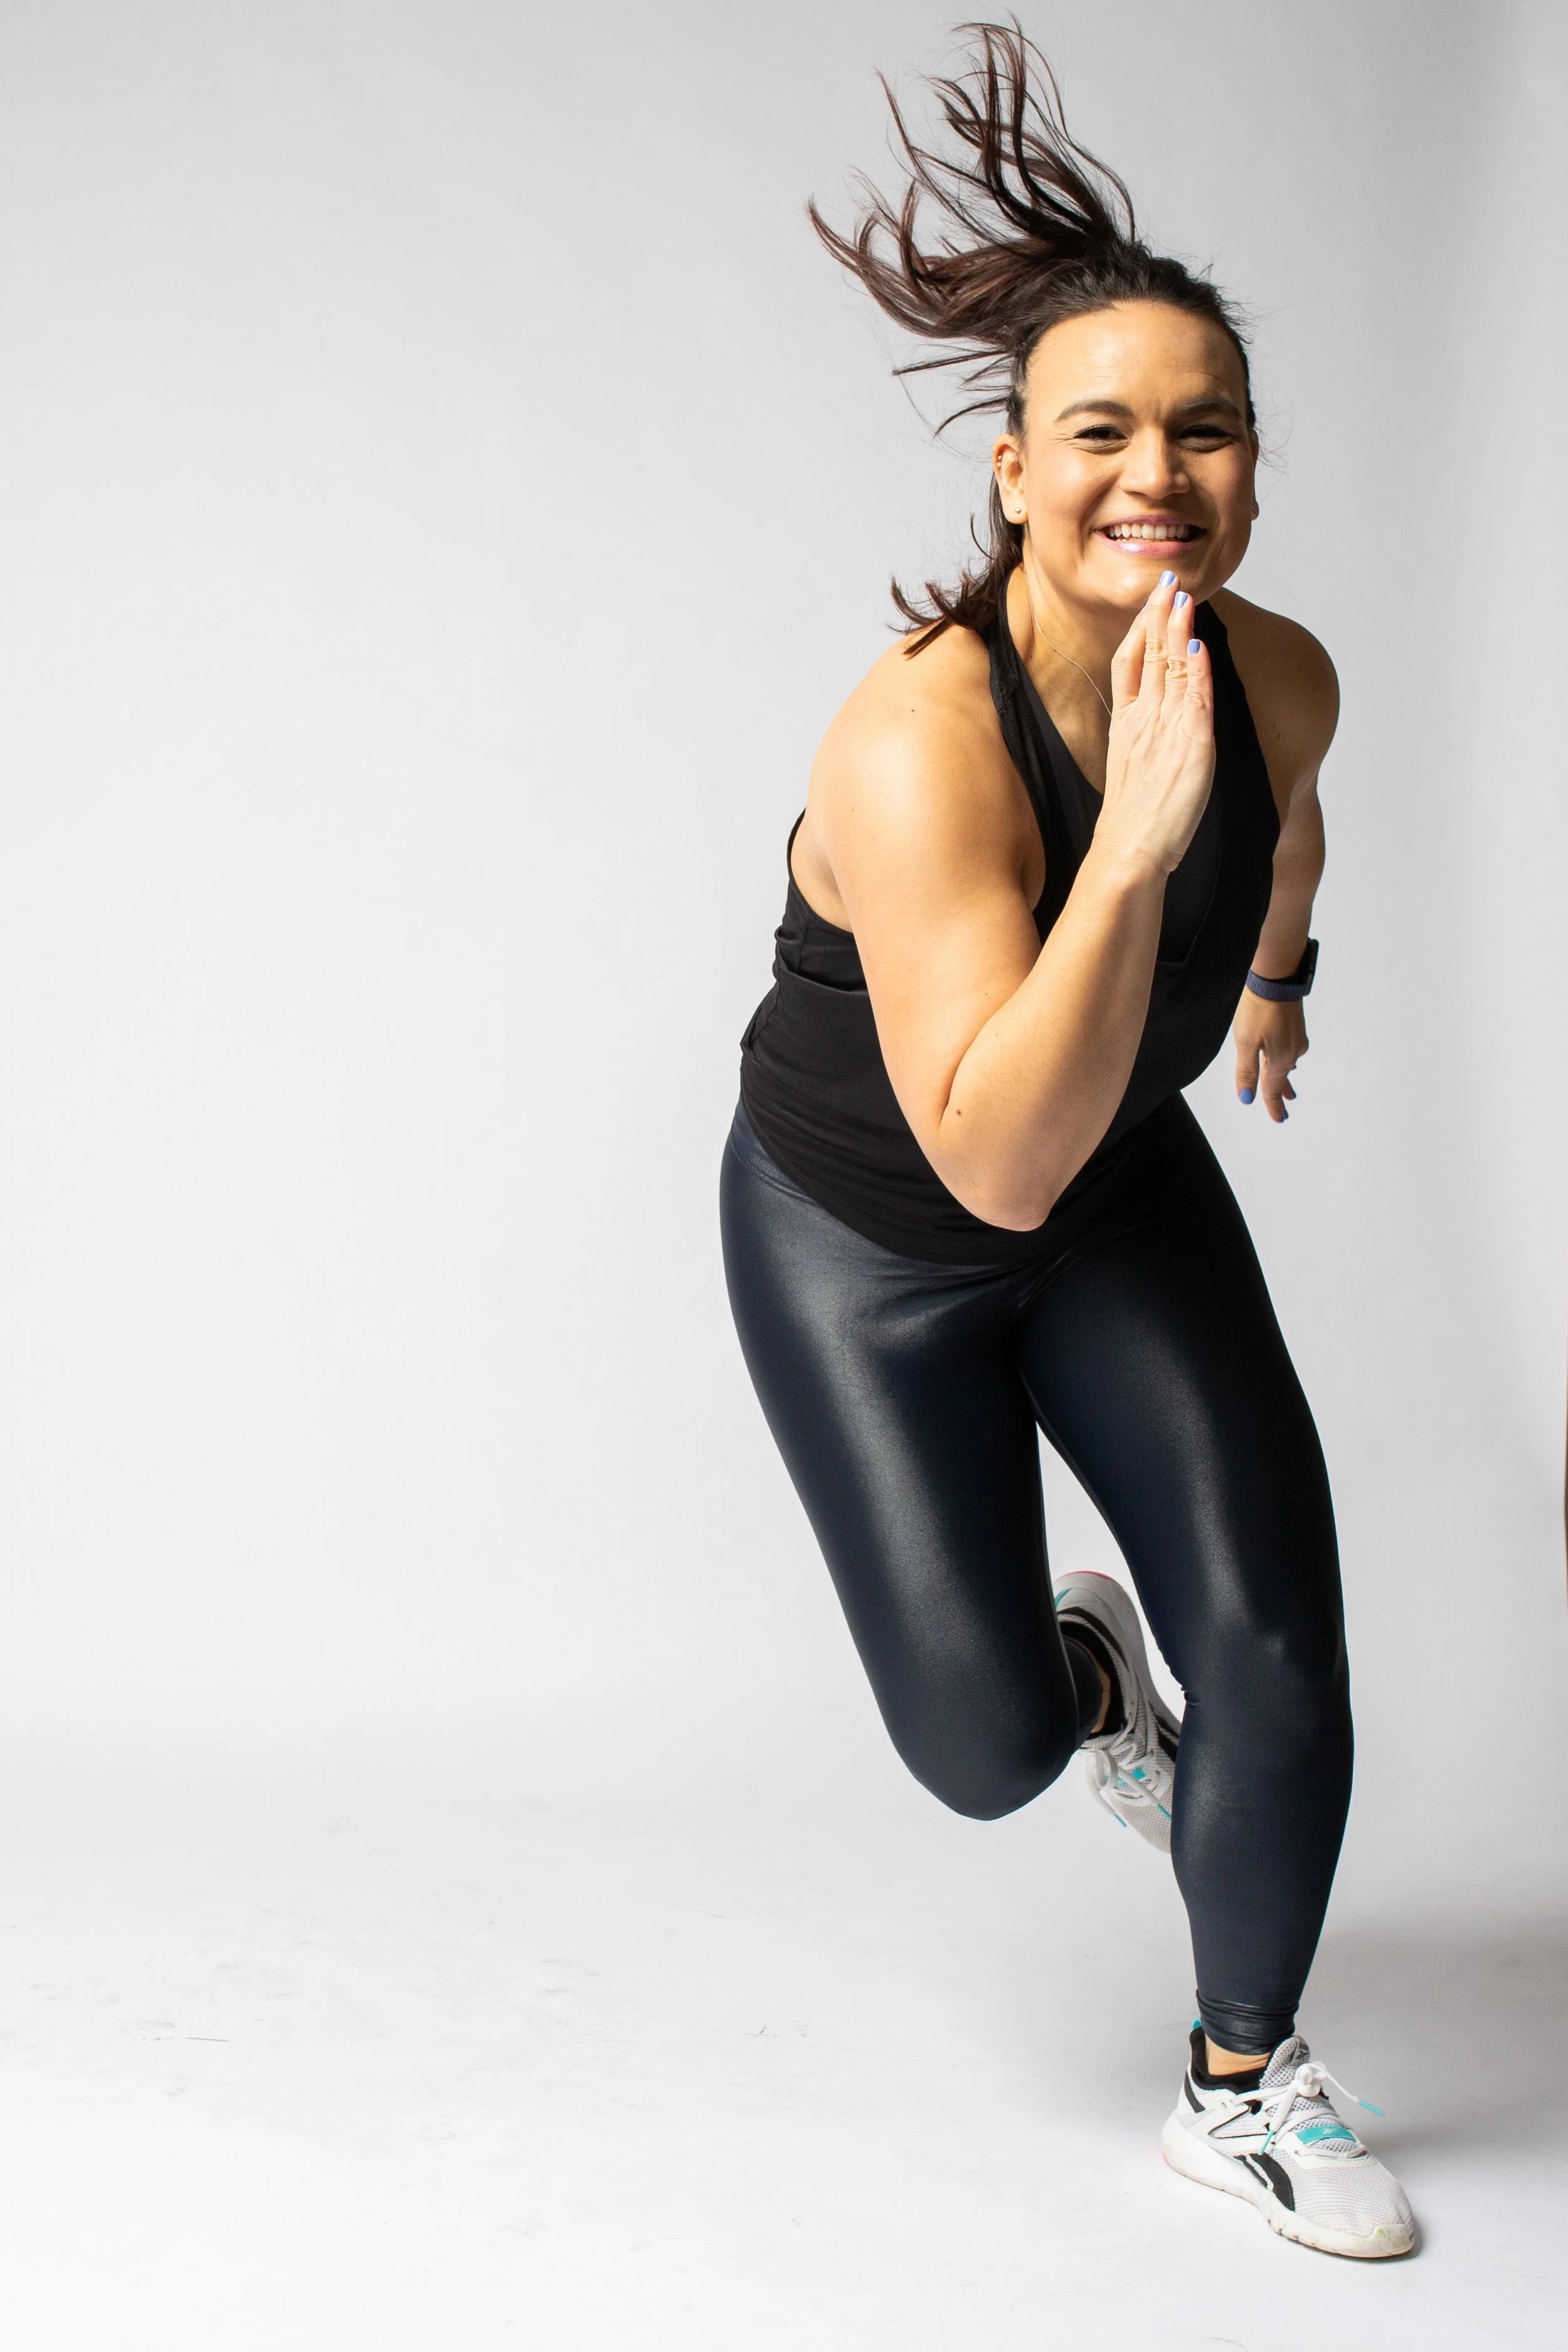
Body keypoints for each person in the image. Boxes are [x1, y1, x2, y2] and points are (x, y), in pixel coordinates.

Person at [720, 24, 1416, 2260]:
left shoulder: (1277, 674)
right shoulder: (913, 748)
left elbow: (1282, 836)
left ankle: (1239, 2079)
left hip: (1116, 1200)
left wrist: (1279, 978)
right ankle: (1076, 1685)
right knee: (984, 1753)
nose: (1157, 471)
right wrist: (1127, 856)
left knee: (1287, 1643)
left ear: (1250, 470)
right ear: (1014, 473)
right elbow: (988, 1164)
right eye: (1100, 431)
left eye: (1201, 430)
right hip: (873, 1238)